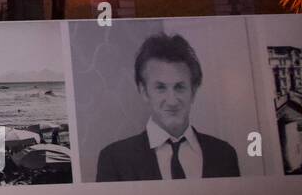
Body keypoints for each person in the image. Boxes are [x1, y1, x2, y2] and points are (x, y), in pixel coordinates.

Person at [96, 32, 240, 182]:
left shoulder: (225, 154)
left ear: (193, 91)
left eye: (179, 87)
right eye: (160, 88)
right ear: (144, 92)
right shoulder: (114, 159)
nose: (172, 101)